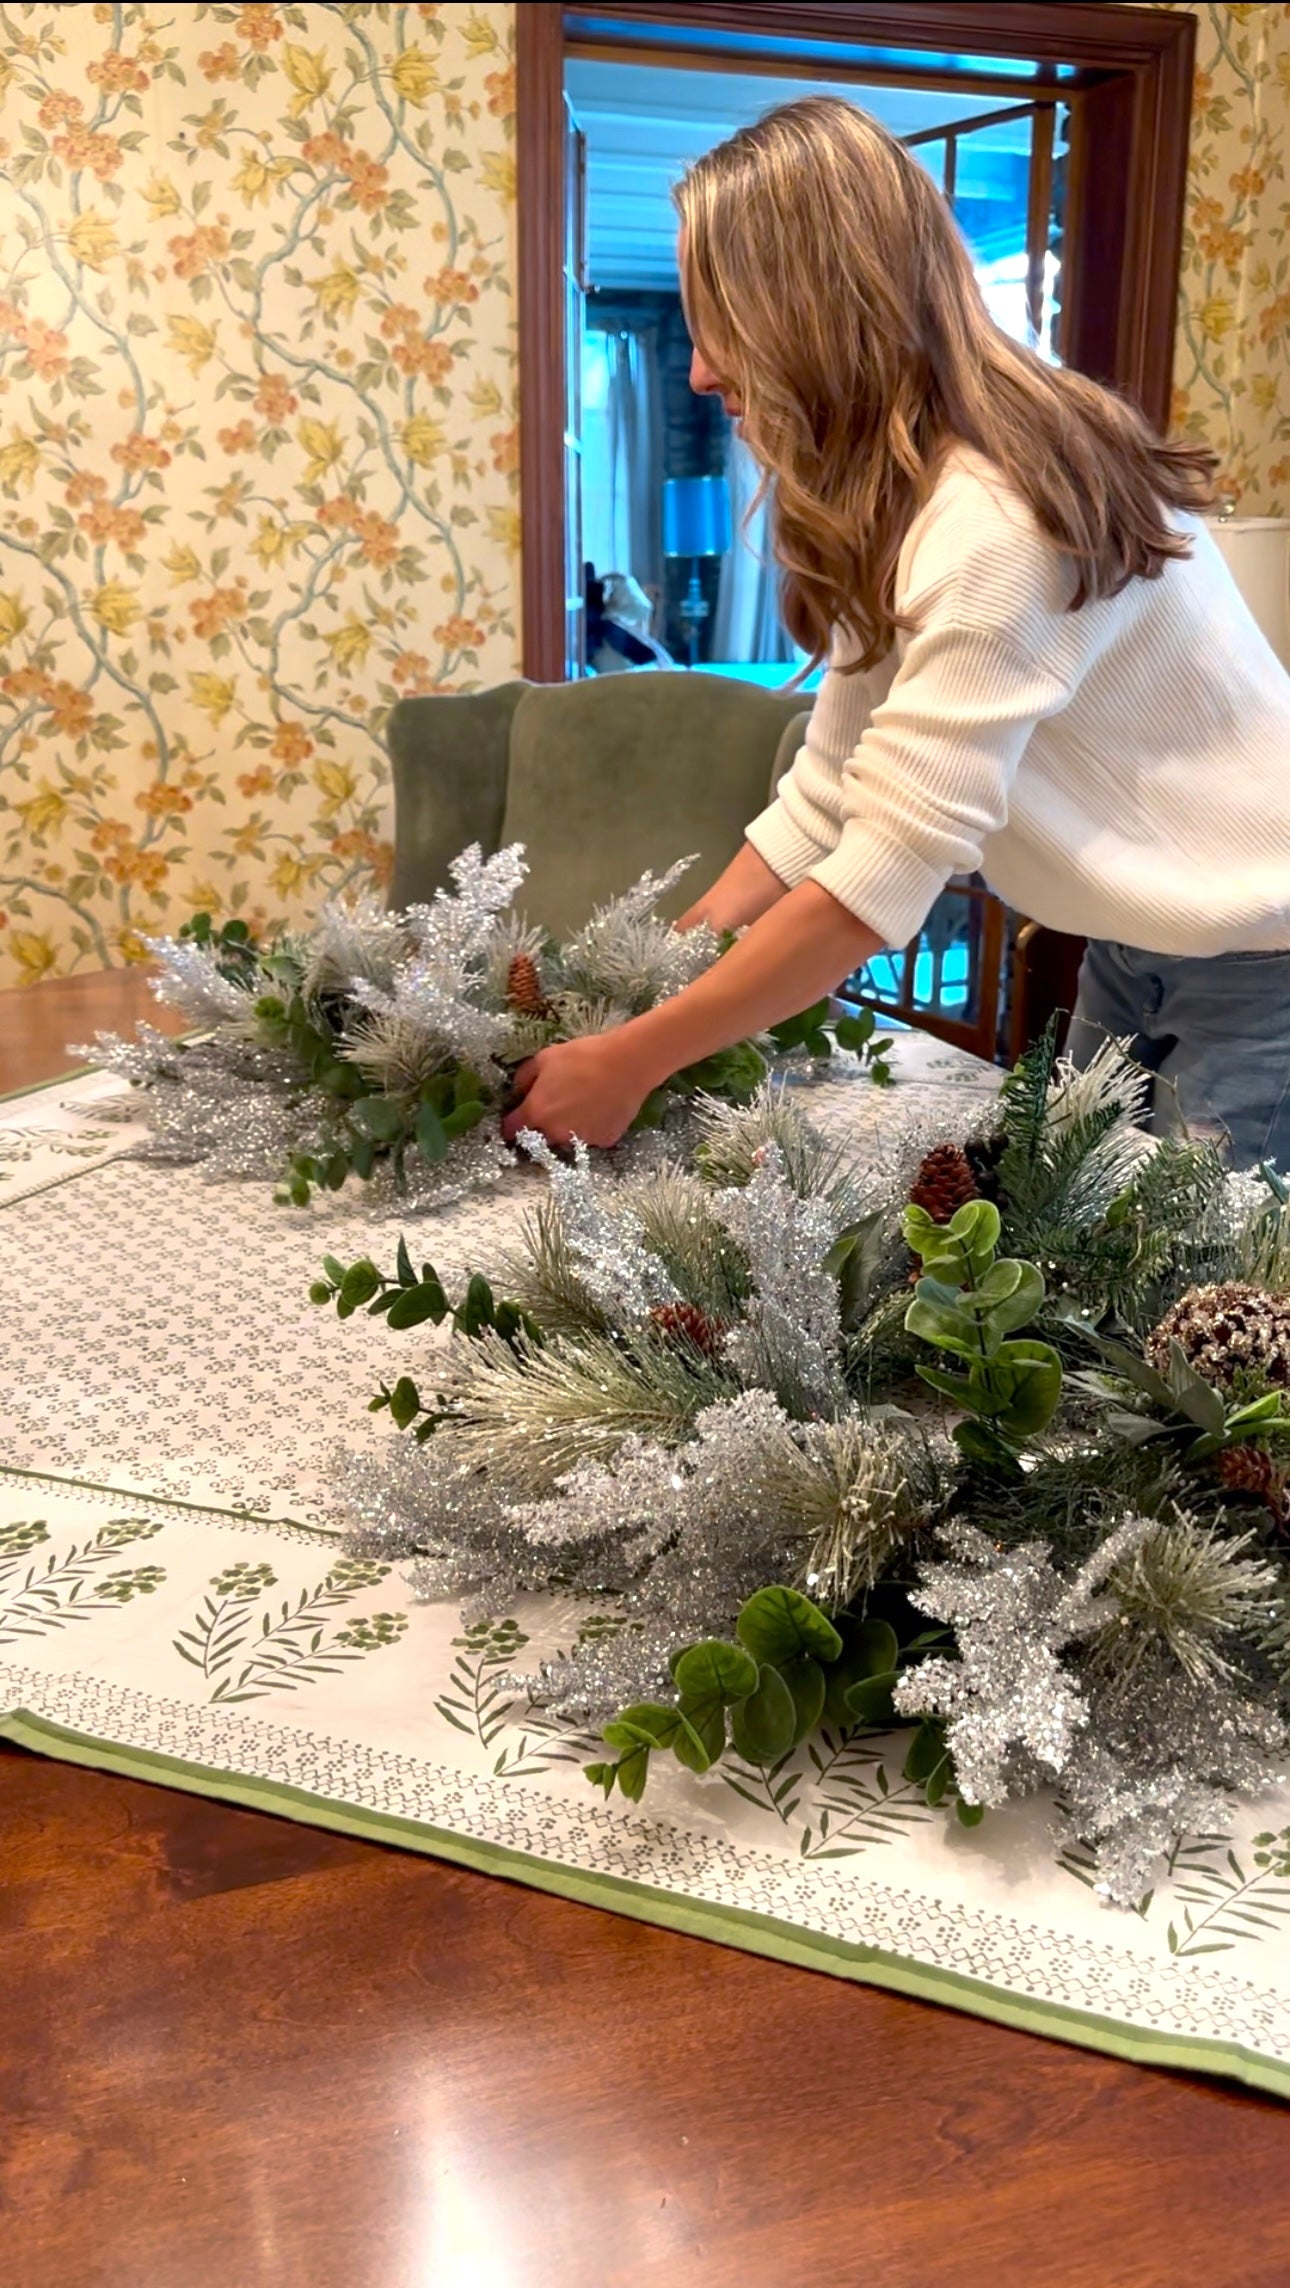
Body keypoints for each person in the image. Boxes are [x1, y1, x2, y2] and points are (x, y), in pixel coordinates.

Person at [503, 97, 1290, 1169]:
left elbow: (873, 884)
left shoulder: (999, 521)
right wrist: (649, 975)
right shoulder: (906, 503)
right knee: (1089, 1240)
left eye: (715, 319)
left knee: (1204, 1307)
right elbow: (825, 799)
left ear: (810, 308)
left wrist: (637, 1056)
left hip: (1267, 966)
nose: (698, 370)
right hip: (1141, 942)